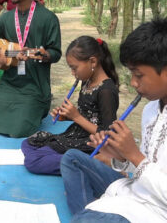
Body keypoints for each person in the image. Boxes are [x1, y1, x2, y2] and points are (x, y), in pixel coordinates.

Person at [61, 18, 167, 223]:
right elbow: (137, 172)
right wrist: (120, 157)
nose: (134, 83)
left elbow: (143, 166)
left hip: (154, 212)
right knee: (72, 158)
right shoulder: (151, 110)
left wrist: (134, 156)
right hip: (132, 193)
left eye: (139, 75)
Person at [0, 0, 61, 138]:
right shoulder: (6, 18)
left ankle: (32, 111)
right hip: (9, 84)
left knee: (19, 129)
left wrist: (45, 55)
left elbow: (56, 52)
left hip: (35, 88)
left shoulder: (48, 18)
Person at [21, 36, 119, 175]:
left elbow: (107, 135)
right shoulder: (87, 81)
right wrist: (67, 116)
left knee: (33, 161)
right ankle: (74, 162)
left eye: (74, 68)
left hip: (90, 143)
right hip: (75, 135)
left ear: (92, 61)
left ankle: (87, 163)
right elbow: (88, 116)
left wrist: (77, 117)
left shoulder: (107, 90)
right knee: (28, 143)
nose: (73, 73)